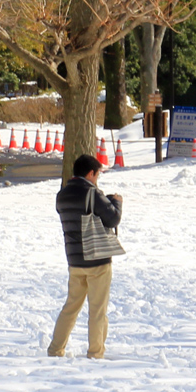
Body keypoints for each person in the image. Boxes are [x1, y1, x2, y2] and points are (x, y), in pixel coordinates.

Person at [51, 153, 121, 358]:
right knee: (97, 309)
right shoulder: (92, 193)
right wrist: (116, 202)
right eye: (97, 174)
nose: (97, 178)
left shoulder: (62, 194)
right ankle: (95, 352)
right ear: (90, 173)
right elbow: (113, 218)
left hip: (74, 259)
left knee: (71, 307)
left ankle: (56, 349)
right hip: (97, 259)